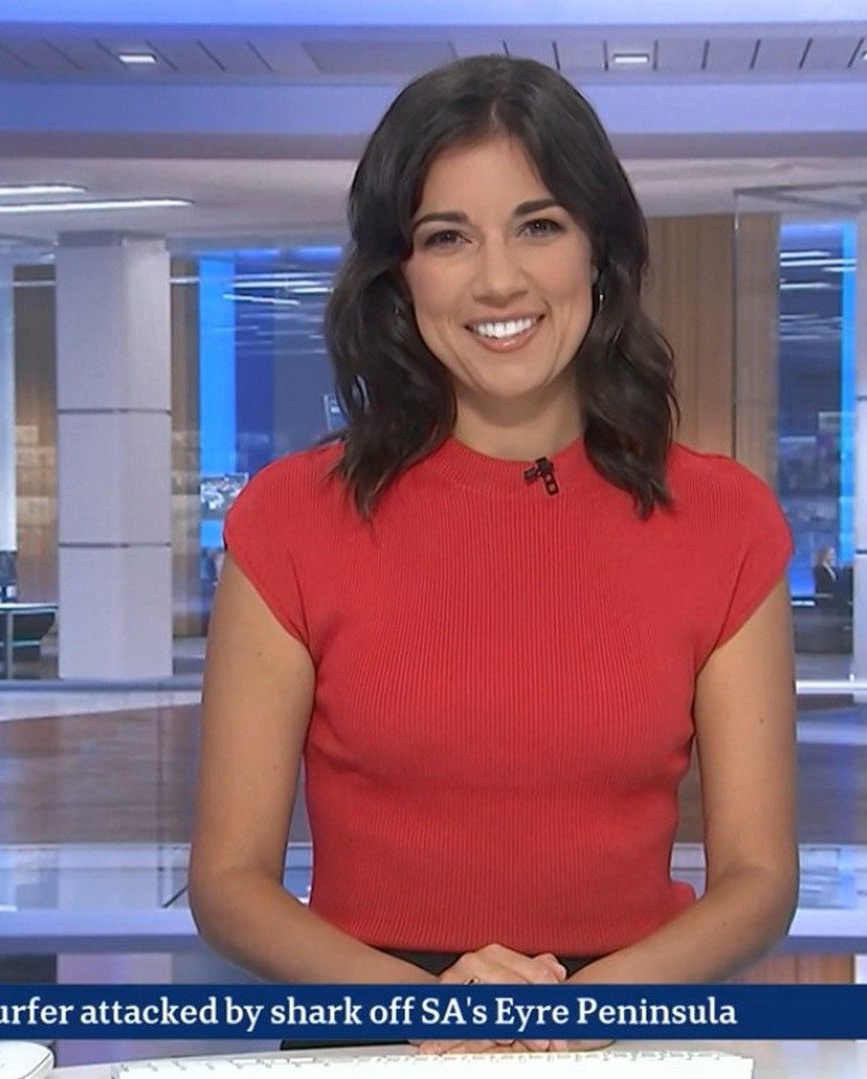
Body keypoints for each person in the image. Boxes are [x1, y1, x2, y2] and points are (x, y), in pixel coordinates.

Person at [189, 55, 798, 1055]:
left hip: (621, 1029)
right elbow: (228, 882)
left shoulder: (724, 521)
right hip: (374, 1033)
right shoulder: (291, 518)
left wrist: (581, 1009)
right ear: (400, 273)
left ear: (599, 251)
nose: (499, 279)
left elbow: (759, 878)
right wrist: (431, 1010)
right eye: (447, 237)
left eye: (539, 226)